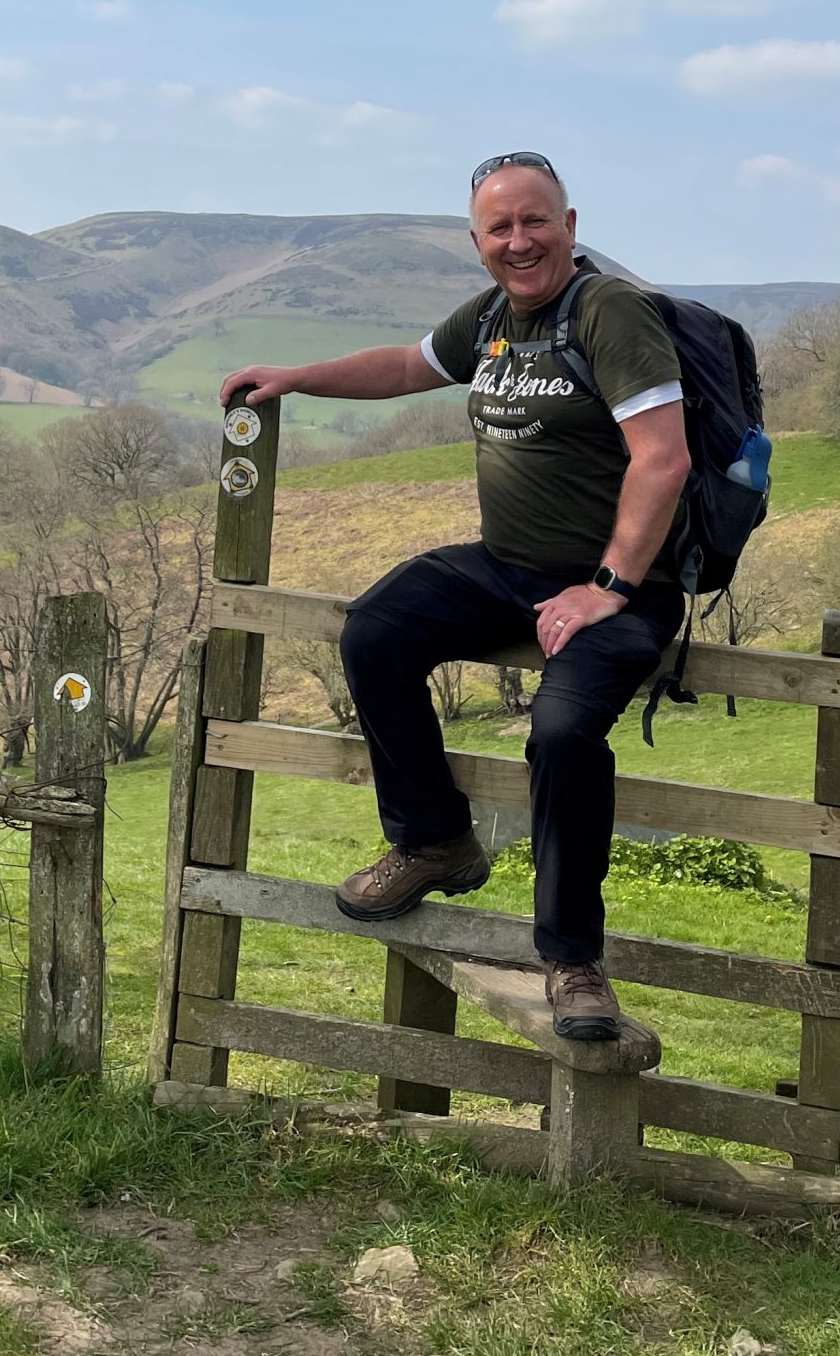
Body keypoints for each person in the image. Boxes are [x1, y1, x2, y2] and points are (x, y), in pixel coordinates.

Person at [217, 151, 691, 1040]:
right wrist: (294, 378)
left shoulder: (609, 313)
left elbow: (663, 458)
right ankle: (436, 840)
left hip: (620, 588)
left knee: (561, 735)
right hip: (505, 567)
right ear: (478, 245)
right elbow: (404, 365)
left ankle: (574, 962)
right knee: (378, 632)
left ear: (572, 225)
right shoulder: (494, 323)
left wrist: (607, 587)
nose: (520, 241)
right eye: (500, 228)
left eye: (535, 221)